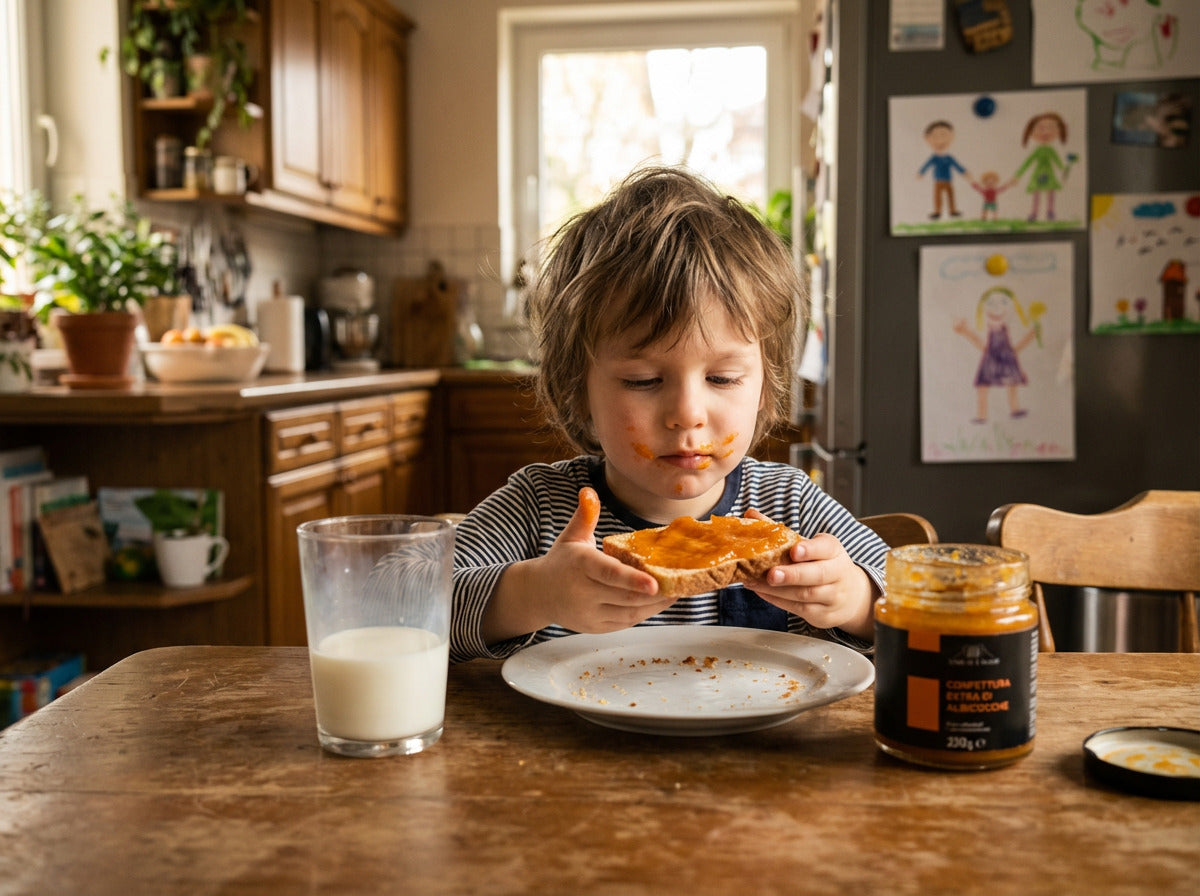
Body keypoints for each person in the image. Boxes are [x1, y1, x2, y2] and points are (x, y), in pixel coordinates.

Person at [450, 166, 889, 663]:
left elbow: (918, 606)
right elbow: (402, 604)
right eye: (643, 381)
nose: (687, 415)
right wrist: (532, 594)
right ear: (577, 390)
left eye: (722, 379)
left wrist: (856, 600)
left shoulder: (790, 507)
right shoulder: (540, 510)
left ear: (766, 389)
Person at [917, 120, 969, 219]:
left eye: (944, 135)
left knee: (951, 196)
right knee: (937, 197)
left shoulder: (949, 158)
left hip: (948, 180)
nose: (940, 140)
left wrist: (964, 172)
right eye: (935, 136)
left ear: (952, 137)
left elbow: (957, 165)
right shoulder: (934, 158)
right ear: (927, 138)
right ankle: (937, 212)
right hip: (938, 181)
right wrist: (921, 173)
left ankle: (953, 210)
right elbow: (926, 165)